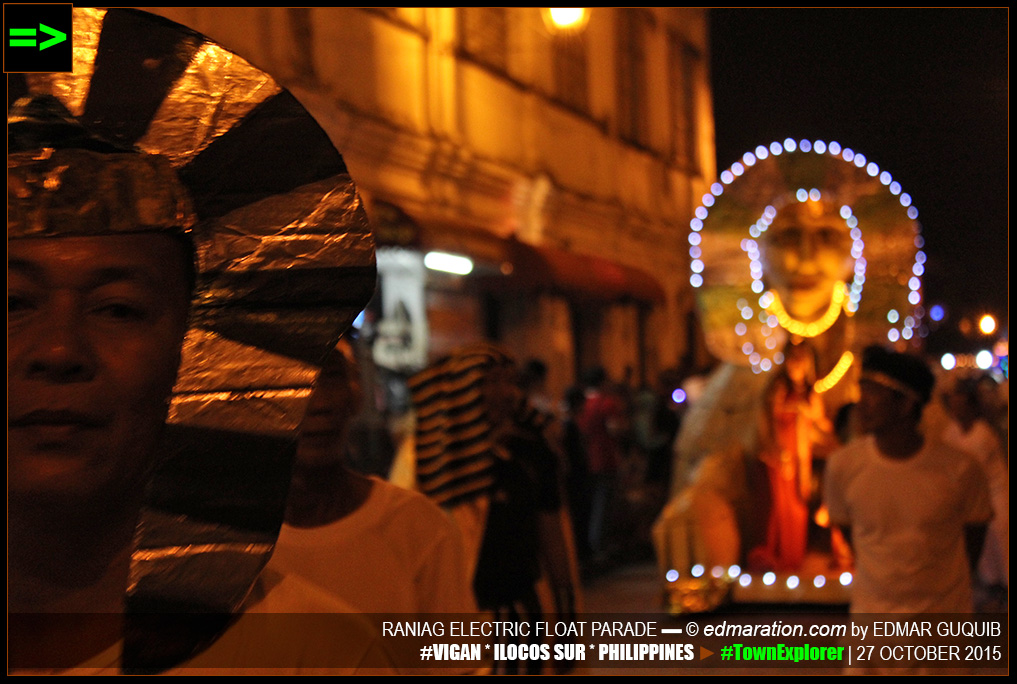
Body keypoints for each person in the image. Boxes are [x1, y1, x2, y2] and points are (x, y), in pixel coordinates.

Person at [9, 8, 384, 673]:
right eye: (13, 303)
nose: (58, 350)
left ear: (199, 353)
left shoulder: (314, 655)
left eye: (117, 309)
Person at [271, 341, 477, 616]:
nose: (318, 403)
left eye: (331, 376)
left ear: (357, 395)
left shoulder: (418, 529)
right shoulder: (223, 547)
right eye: (291, 380)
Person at [408, 344, 579, 674]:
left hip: (521, 618)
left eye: (510, 381)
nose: (506, 392)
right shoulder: (424, 461)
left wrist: (566, 625)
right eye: (491, 381)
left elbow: (553, 541)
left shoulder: (528, 452)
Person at [823, 347, 992, 614]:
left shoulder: (960, 469)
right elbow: (851, 535)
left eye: (873, 393)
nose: (861, 404)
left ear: (905, 404)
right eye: (861, 391)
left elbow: (973, 540)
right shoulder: (843, 466)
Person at [941, 376, 1009, 602]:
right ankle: (989, 582)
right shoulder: (950, 432)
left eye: (960, 404)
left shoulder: (983, 434)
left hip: (995, 491)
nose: (955, 410)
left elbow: (970, 470)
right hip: (969, 496)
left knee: (999, 533)